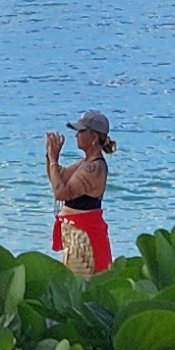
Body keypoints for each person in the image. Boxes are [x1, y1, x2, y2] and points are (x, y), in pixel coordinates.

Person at [44, 113, 116, 273]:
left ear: (94, 137)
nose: (76, 135)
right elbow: (59, 177)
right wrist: (50, 155)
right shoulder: (86, 163)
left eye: (80, 131)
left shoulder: (94, 167)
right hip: (77, 236)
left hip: (86, 238)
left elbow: (61, 193)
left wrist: (54, 159)